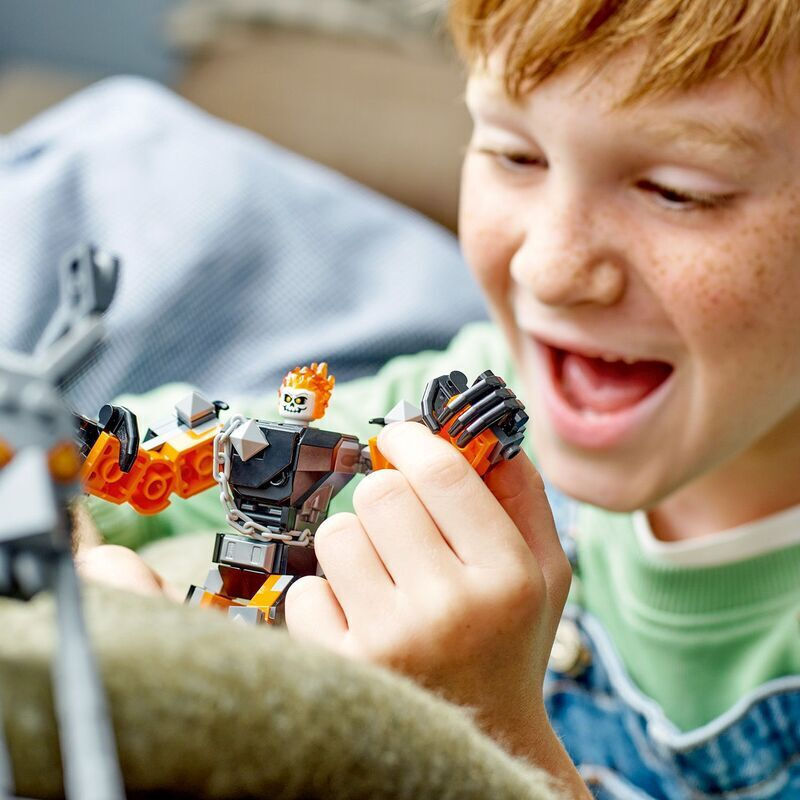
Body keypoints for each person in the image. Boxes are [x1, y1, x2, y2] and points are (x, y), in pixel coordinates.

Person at [77, 1, 800, 797]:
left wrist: (482, 743)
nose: (547, 269)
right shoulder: (480, 395)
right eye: (515, 155)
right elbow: (121, 475)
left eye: (676, 192)